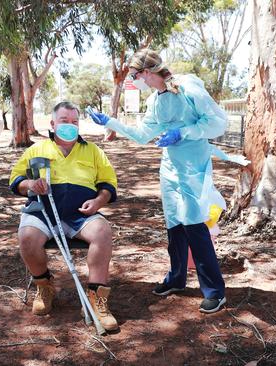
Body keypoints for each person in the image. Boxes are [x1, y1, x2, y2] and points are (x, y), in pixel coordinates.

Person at [88, 49, 249, 314]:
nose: (135, 80)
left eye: (136, 75)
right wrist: (111, 122)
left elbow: (218, 123)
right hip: (170, 168)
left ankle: (214, 291)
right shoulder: (156, 101)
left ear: (148, 73)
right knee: (175, 225)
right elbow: (143, 134)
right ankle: (176, 279)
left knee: (195, 225)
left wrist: (183, 132)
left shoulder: (188, 88)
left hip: (193, 167)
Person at [9, 101, 119, 331]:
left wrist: (98, 201)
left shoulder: (93, 151)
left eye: (74, 121)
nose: (70, 125)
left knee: (103, 232)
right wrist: (31, 183)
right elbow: (16, 181)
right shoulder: (36, 150)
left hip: (80, 215)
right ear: (52, 123)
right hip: (43, 213)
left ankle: (96, 298)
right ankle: (44, 286)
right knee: (27, 237)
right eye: (64, 121)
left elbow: (109, 184)